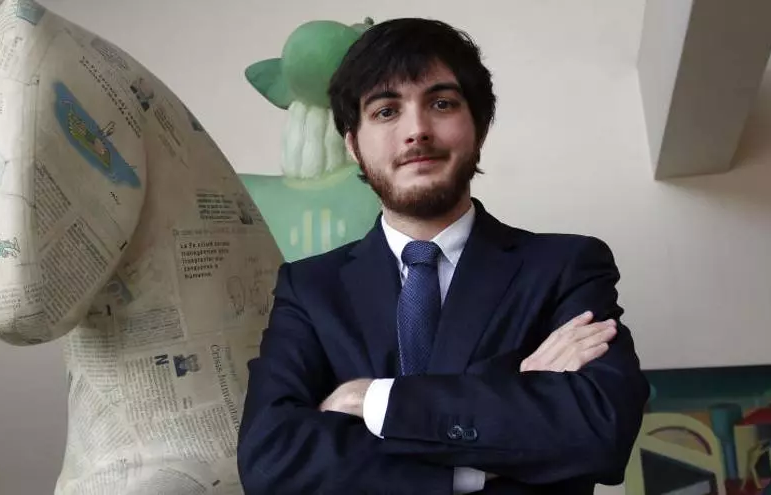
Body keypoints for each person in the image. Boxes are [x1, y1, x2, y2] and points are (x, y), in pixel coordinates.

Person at [237, 17, 649, 494]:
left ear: (479, 127)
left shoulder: (566, 266)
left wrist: (371, 400)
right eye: (386, 111)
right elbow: (270, 463)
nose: (416, 130)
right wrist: (504, 408)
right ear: (352, 143)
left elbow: (599, 432)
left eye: (441, 103)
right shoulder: (309, 289)